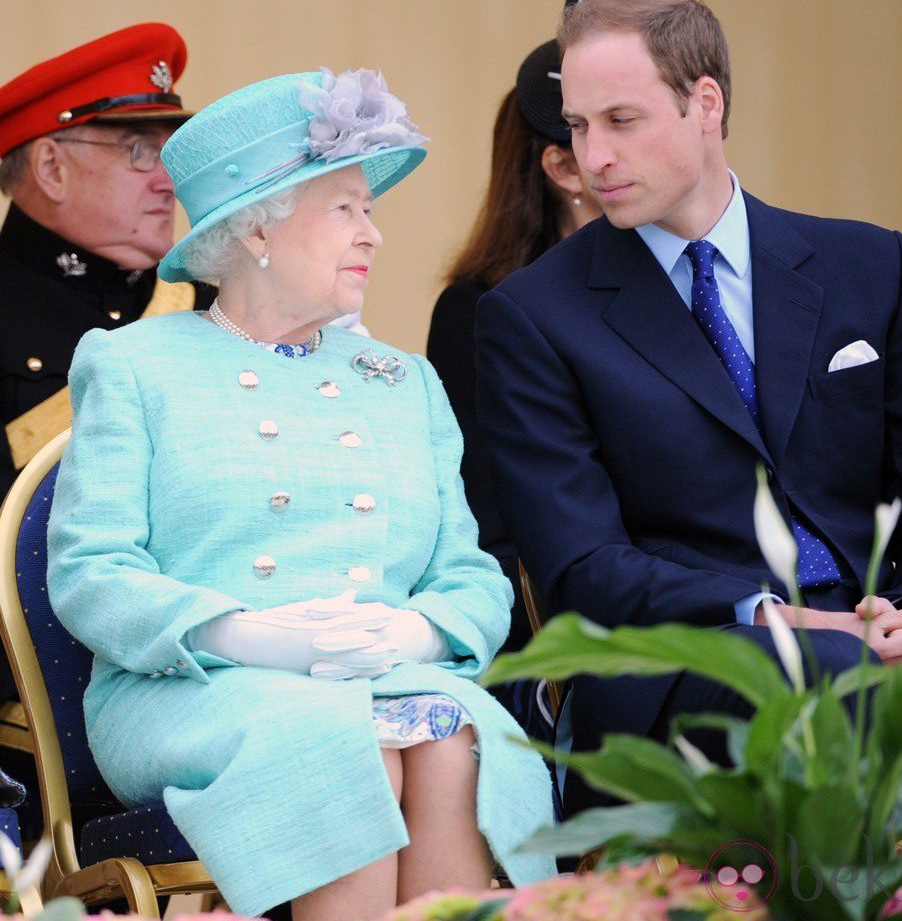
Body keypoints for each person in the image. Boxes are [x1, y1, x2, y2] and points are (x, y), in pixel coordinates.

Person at [46, 67, 554, 921]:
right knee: (350, 747)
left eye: (371, 210)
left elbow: (471, 575)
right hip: (188, 685)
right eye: (346, 209)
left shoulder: (405, 383)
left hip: (386, 675)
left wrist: (418, 629)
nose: (374, 236)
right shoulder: (136, 363)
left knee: (453, 740)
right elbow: (91, 571)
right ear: (256, 229)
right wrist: (240, 632)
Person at [475, 0, 902, 815]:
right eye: (577, 125)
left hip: (886, 640)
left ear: (704, 103)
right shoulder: (532, 316)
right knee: (844, 685)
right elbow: (583, 568)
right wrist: (778, 617)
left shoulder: (866, 266)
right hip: (683, 668)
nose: (592, 155)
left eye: (621, 120)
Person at [427, 39, 600, 661]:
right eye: (602, 128)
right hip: (567, 629)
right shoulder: (476, 310)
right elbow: (486, 520)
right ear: (563, 168)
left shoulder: (682, 283)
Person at [0, 23, 214, 502]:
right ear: (52, 168)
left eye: (171, 156)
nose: (168, 183)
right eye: (141, 152)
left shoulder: (212, 307)